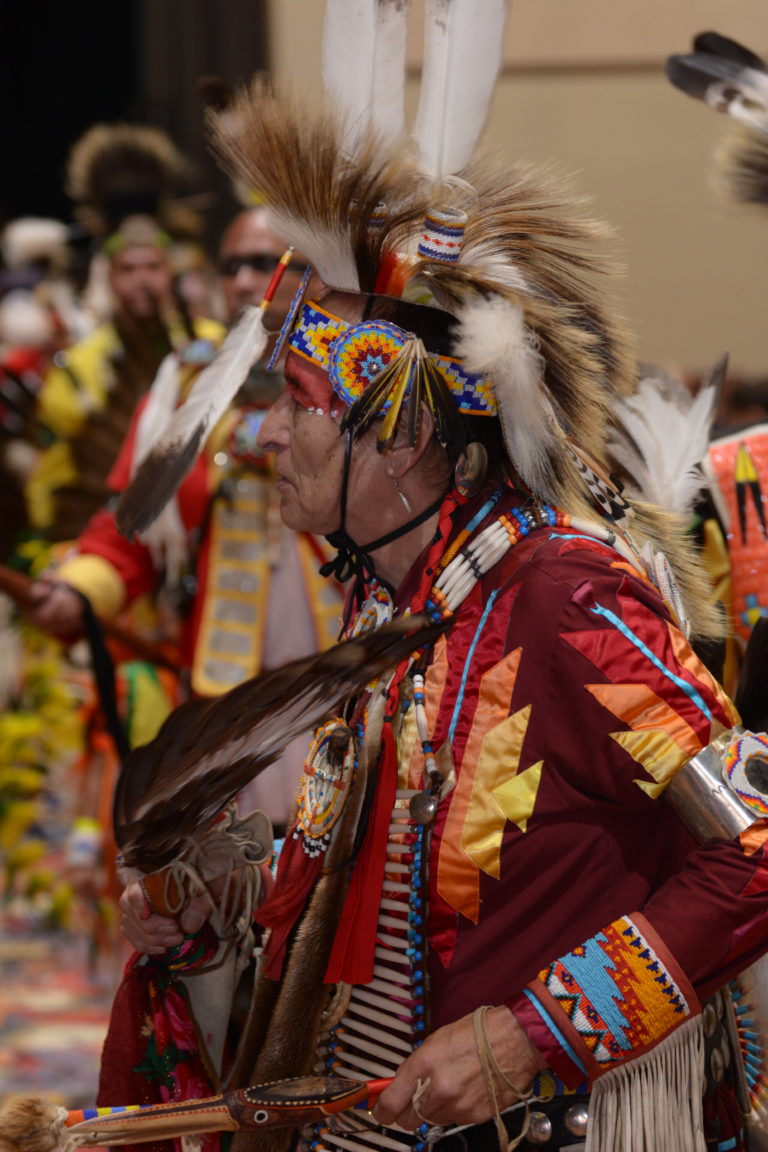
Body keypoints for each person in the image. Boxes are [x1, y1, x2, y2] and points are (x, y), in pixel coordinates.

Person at [109, 47, 768, 1152]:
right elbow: (378, 903)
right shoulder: (396, 617)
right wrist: (211, 914)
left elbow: (754, 844)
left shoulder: (561, 591)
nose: (269, 433)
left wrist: (532, 1034)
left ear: (406, 435)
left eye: (302, 405)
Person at [25, 206, 342, 828]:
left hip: (346, 681)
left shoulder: (360, 372)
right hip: (222, 698)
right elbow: (129, 528)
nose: (247, 281)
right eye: (233, 266)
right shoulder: (190, 382)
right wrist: (78, 590)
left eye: (267, 263)